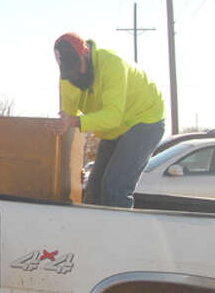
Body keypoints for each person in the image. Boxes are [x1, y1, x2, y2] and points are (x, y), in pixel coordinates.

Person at [51, 32, 165, 208]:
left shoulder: (112, 64)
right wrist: (72, 169)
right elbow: (67, 124)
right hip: (115, 128)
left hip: (145, 119)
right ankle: (91, 234)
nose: (75, 75)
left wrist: (76, 121)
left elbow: (112, 116)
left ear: (85, 53)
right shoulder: (67, 78)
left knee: (115, 185)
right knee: (94, 191)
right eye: (68, 71)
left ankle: (121, 234)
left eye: (76, 67)